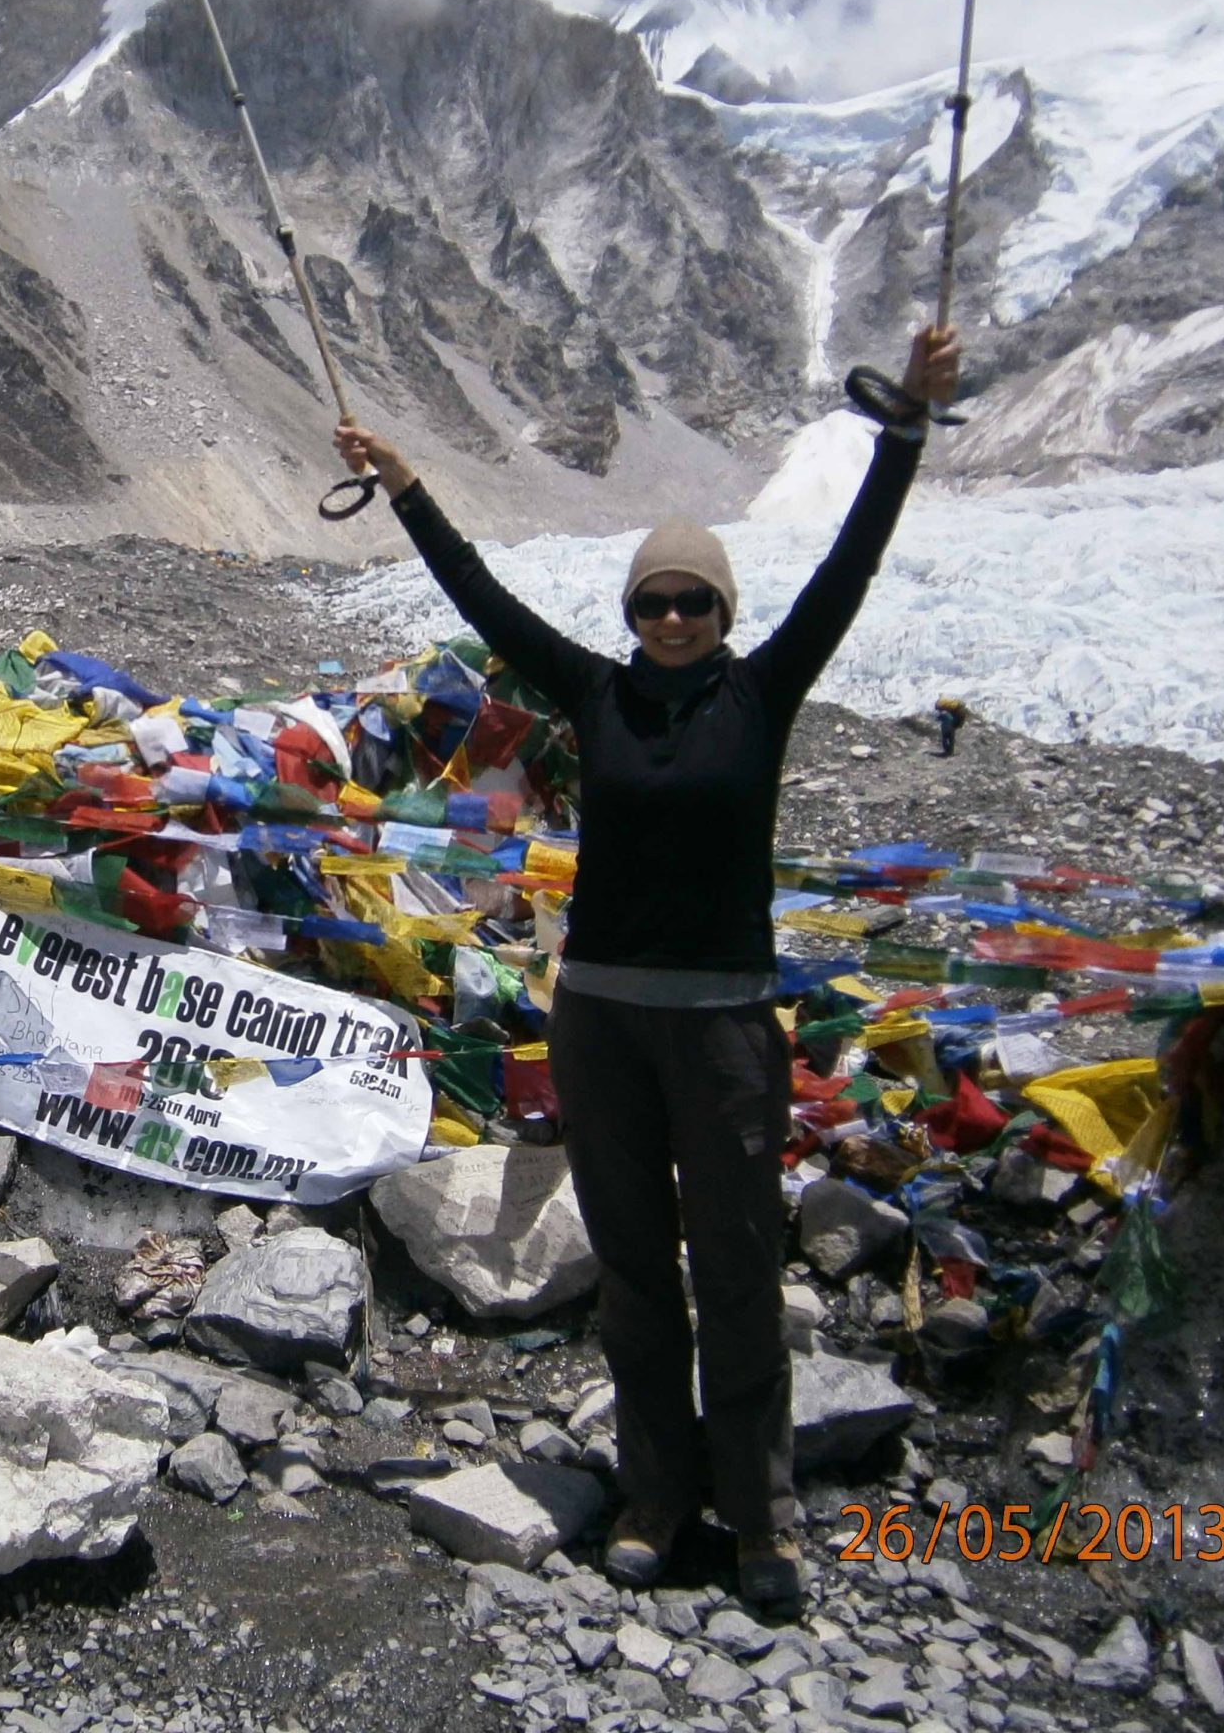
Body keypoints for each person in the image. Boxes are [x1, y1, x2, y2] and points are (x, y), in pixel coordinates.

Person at [334, 328, 960, 1614]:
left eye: (694, 602)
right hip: (602, 1024)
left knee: (735, 1271)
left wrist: (905, 431)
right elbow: (482, 600)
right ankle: (655, 1493)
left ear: (725, 614)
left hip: (726, 1030)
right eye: (652, 603)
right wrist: (405, 488)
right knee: (631, 1275)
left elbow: (851, 565)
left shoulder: (762, 695)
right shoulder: (597, 695)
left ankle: (764, 1509)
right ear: (630, 617)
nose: (671, 619)